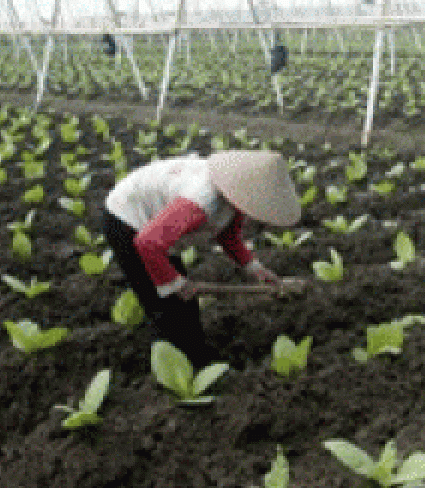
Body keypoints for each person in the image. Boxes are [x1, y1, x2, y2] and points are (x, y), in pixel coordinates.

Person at [102, 150, 300, 366]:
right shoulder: (202, 197)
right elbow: (147, 243)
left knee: (184, 306)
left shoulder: (234, 195)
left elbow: (228, 235)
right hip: (126, 220)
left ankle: (197, 357)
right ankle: (175, 369)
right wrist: (175, 283)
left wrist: (254, 268)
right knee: (165, 306)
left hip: (157, 229)